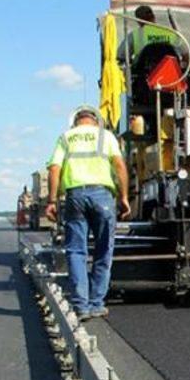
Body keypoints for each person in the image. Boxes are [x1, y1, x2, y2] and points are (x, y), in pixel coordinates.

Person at [45, 105, 130, 319]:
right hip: (102, 195)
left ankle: (81, 306)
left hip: (75, 196)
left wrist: (51, 201)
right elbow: (119, 165)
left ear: (75, 121)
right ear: (95, 120)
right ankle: (96, 303)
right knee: (103, 250)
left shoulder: (66, 137)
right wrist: (124, 197)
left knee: (76, 251)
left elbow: (54, 168)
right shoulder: (106, 136)